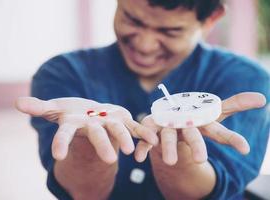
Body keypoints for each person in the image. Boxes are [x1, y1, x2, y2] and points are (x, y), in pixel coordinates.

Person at [16, 0, 270, 199]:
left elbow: (208, 193)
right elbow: (81, 194)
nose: (146, 45)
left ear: (211, 19)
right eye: (132, 20)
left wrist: (177, 152)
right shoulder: (63, 73)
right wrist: (86, 147)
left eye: (170, 31)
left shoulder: (244, 80)